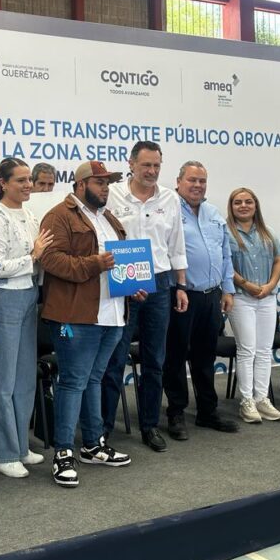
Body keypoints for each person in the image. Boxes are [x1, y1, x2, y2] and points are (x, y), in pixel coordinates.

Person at [40, 161, 137, 488]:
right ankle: (63, 452)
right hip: (75, 316)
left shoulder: (109, 218)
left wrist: (132, 284)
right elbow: (50, 260)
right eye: (99, 182)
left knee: (94, 378)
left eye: (108, 182)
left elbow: (118, 264)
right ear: (80, 185)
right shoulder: (59, 216)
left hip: (112, 313)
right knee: (73, 381)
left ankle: (93, 444)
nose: (106, 188)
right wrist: (94, 264)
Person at [102, 141, 188, 452]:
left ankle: (149, 425)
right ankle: (103, 429)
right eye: (146, 165)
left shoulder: (169, 198)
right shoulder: (112, 195)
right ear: (131, 164)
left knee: (154, 359)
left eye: (156, 166)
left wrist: (181, 284)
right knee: (114, 359)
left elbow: (176, 243)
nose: (151, 171)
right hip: (122, 283)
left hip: (160, 283)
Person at [0, 158, 53, 478]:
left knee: (24, 379)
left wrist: (43, 260)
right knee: (2, 380)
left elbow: (39, 260)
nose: (28, 185)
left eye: (29, 180)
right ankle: (1, 452)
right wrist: (34, 256)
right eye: (21, 180)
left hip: (29, 295)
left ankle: (20, 445)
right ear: (3, 184)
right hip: (5, 298)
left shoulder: (30, 214)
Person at [164, 161, 238, 440]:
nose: (197, 185)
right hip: (180, 294)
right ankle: (176, 412)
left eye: (202, 181)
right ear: (179, 181)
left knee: (205, 355)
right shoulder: (168, 209)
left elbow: (225, 253)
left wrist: (228, 289)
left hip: (211, 295)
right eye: (192, 180)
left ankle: (208, 411)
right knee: (175, 356)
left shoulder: (213, 213)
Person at [226, 187, 280, 423]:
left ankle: (262, 398)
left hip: (267, 297)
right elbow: (224, 265)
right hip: (242, 298)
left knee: (263, 350)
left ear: (255, 205)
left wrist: (271, 285)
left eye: (248, 202)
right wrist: (245, 284)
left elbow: (278, 260)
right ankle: (246, 401)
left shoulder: (267, 231)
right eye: (238, 202)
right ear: (231, 207)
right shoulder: (226, 232)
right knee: (247, 350)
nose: (243, 206)